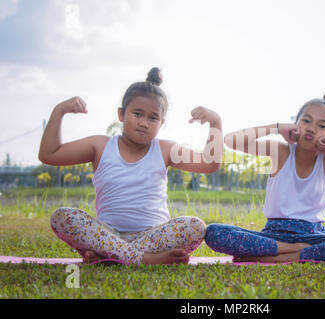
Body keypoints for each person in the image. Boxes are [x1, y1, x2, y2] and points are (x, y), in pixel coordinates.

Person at [39, 67, 223, 265]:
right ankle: (142, 259)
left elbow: (210, 163)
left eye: (153, 118)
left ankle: (110, 255)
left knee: (195, 226)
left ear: (161, 122)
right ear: (121, 114)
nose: (144, 123)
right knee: (62, 217)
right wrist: (59, 111)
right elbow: (49, 154)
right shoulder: (100, 146)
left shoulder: (164, 149)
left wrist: (215, 122)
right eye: (137, 114)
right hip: (107, 234)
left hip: (153, 237)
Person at [205, 91, 325, 262]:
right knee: (215, 233)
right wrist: (276, 128)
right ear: (295, 124)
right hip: (272, 235)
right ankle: (295, 250)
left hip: (313, 237)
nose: (312, 129)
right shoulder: (281, 151)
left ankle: (281, 256)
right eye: (306, 121)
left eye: (321, 126)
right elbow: (230, 141)